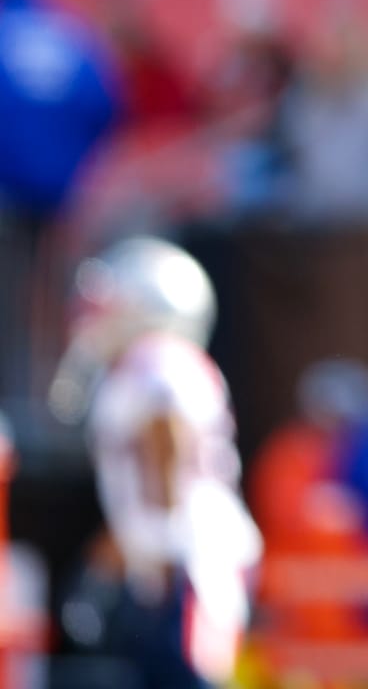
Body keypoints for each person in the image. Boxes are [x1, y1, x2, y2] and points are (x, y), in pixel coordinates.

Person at [48, 236, 263, 688]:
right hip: (172, 560)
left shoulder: (159, 361)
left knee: (189, 678)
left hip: (191, 562)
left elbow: (165, 437)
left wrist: (163, 544)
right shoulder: (144, 365)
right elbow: (135, 494)